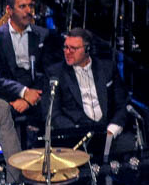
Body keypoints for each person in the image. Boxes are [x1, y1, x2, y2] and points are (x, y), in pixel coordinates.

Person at [47, 28, 133, 158]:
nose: (67, 52)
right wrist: (76, 132)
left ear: (87, 49)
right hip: (77, 135)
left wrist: (112, 130)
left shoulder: (107, 67)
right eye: (65, 47)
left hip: (108, 131)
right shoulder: (55, 73)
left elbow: (122, 103)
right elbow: (53, 114)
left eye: (73, 49)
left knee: (129, 148)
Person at [0, 0, 52, 140]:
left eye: (30, 6)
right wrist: (24, 92)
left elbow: (48, 72)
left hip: (37, 96)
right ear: (9, 10)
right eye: (22, 6)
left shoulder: (43, 35)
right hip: (8, 95)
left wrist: (29, 100)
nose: (29, 11)